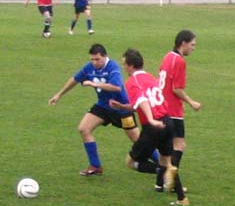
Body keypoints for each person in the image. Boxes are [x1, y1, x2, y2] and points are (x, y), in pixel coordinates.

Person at [48, 44, 155, 176]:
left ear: (105, 57)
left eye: (97, 59)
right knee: (84, 129)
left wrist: (94, 84)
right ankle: (95, 166)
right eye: (92, 59)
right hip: (103, 106)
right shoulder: (89, 68)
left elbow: (117, 87)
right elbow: (75, 79)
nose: (94, 62)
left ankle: (162, 164)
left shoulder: (113, 67)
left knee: (137, 140)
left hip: (121, 108)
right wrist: (59, 94)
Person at [110, 48, 187, 206]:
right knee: (167, 161)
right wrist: (122, 106)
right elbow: (140, 103)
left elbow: (143, 101)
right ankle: (182, 198)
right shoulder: (150, 78)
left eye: (125, 64)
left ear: (131, 66)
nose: (124, 68)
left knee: (130, 162)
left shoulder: (132, 82)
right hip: (167, 121)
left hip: (153, 127)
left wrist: (151, 120)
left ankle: (163, 172)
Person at [154, 30, 201, 193]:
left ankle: (159, 183)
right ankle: (171, 181)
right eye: (192, 44)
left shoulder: (167, 56)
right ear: (183, 43)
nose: (193, 48)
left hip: (160, 109)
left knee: (165, 148)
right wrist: (191, 102)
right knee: (179, 145)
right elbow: (177, 89)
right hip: (172, 110)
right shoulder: (180, 61)